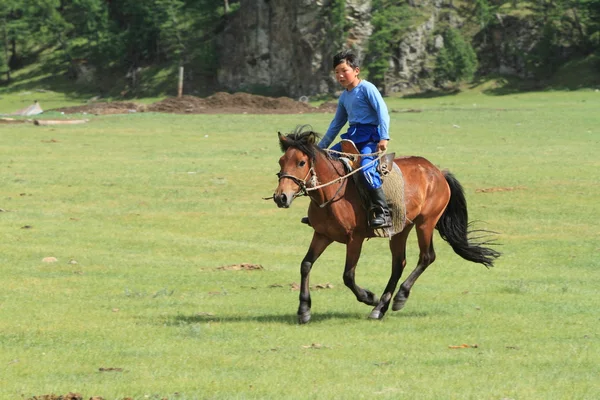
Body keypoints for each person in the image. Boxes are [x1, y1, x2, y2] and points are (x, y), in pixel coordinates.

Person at [302, 50, 392, 229]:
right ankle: (321, 212)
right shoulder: (344, 96)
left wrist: (384, 136)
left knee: (366, 169)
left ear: (356, 70)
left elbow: (383, 112)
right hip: (351, 138)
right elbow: (337, 123)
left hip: (369, 138)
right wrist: (320, 148)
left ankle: (383, 212)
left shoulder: (367, 88)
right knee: (323, 164)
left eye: (344, 70)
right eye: (336, 72)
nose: (340, 75)